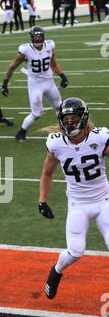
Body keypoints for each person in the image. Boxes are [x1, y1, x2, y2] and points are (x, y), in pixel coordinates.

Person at [38, 98, 109, 299]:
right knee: (76, 251)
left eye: (74, 118)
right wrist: (42, 200)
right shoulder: (56, 143)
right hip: (78, 203)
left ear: (84, 118)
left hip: (104, 200)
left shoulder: (100, 138)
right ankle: (56, 271)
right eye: (66, 119)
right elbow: (47, 173)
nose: (69, 123)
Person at [1, 26, 69, 142]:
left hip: (49, 82)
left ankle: (65, 129)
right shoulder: (25, 50)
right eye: (35, 37)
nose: (38, 39)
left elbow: (53, 64)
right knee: (37, 113)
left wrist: (62, 76)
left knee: (59, 107)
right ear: (31, 37)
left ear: (43, 36)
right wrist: (5, 83)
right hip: (35, 84)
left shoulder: (50, 46)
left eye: (40, 36)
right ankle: (21, 133)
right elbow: (12, 66)